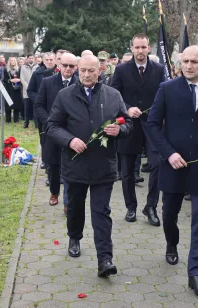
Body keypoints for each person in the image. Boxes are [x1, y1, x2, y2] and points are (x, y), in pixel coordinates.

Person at [147, 45, 198, 298]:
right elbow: (152, 125)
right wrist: (169, 153)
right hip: (173, 164)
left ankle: (196, 273)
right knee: (169, 213)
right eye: (185, 61)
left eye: (194, 61)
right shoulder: (167, 89)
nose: (188, 66)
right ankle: (171, 242)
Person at [46, 54, 132, 276]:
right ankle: (74, 237)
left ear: (100, 70)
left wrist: (120, 130)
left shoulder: (113, 95)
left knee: (101, 212)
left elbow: (127, 122)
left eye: (90, 70)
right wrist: (70, 140)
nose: (85, 74)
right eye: (81, 70)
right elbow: (52, 126)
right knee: (75, 208)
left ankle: (105, 259)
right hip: (75, 165)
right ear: (77, 70)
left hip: (104, 165)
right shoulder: (65, 96)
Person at [110, 34, 166, 226]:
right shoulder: (121, 70)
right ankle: (130, 207)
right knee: (126, 171)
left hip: (152, 126)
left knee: (157, 166)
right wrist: (126, 108)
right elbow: (113, 96)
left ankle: (150, 206)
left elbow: (164, 94)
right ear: (131, 48)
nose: (141, 51)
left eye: (144, 47)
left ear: (149, 48)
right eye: (137, 47)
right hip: (129, 126)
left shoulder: (159, 69)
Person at [35, 53, 79, 210]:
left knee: (70, 167)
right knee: (53, 166)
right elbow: (39, 105)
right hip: (52, 132)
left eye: (71, 66)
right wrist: (49, 122)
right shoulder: (48, 82)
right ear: (59, 65)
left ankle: (68, 202)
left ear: (76, 67)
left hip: (72, 133)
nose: (68, 69)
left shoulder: (80, 83)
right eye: (65, 65)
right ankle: (54, 192)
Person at [20, 53, 38, 128]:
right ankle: (26, 122)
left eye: (32, 58)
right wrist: (28, 87)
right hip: (26, 91)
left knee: (35, 107)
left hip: (35, 91)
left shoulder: (37, 67)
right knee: (27, 108)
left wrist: (33, 88)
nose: (31, 59)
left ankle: (36, 123)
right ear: (27, 59)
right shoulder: (23, 67)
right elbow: (22, 79)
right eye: (29, 58)